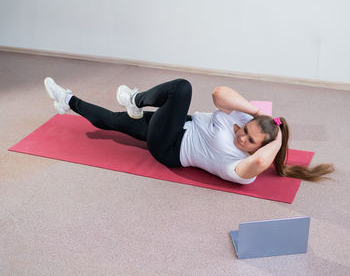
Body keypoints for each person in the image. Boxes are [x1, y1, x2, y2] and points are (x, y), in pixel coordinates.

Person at [44, 77, 334, 184]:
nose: (242, 136)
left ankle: (136, 99)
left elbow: (261, 161)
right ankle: (68, 100)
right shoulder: (246, 119)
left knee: (182, 89)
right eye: (246, 129)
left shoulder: (244, 168)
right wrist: (257, 113)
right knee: (115, 120)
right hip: (176, 124)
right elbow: (220, 93)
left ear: (259, 148)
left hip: (170, 147)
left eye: (249, 140)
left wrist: (280, 137)